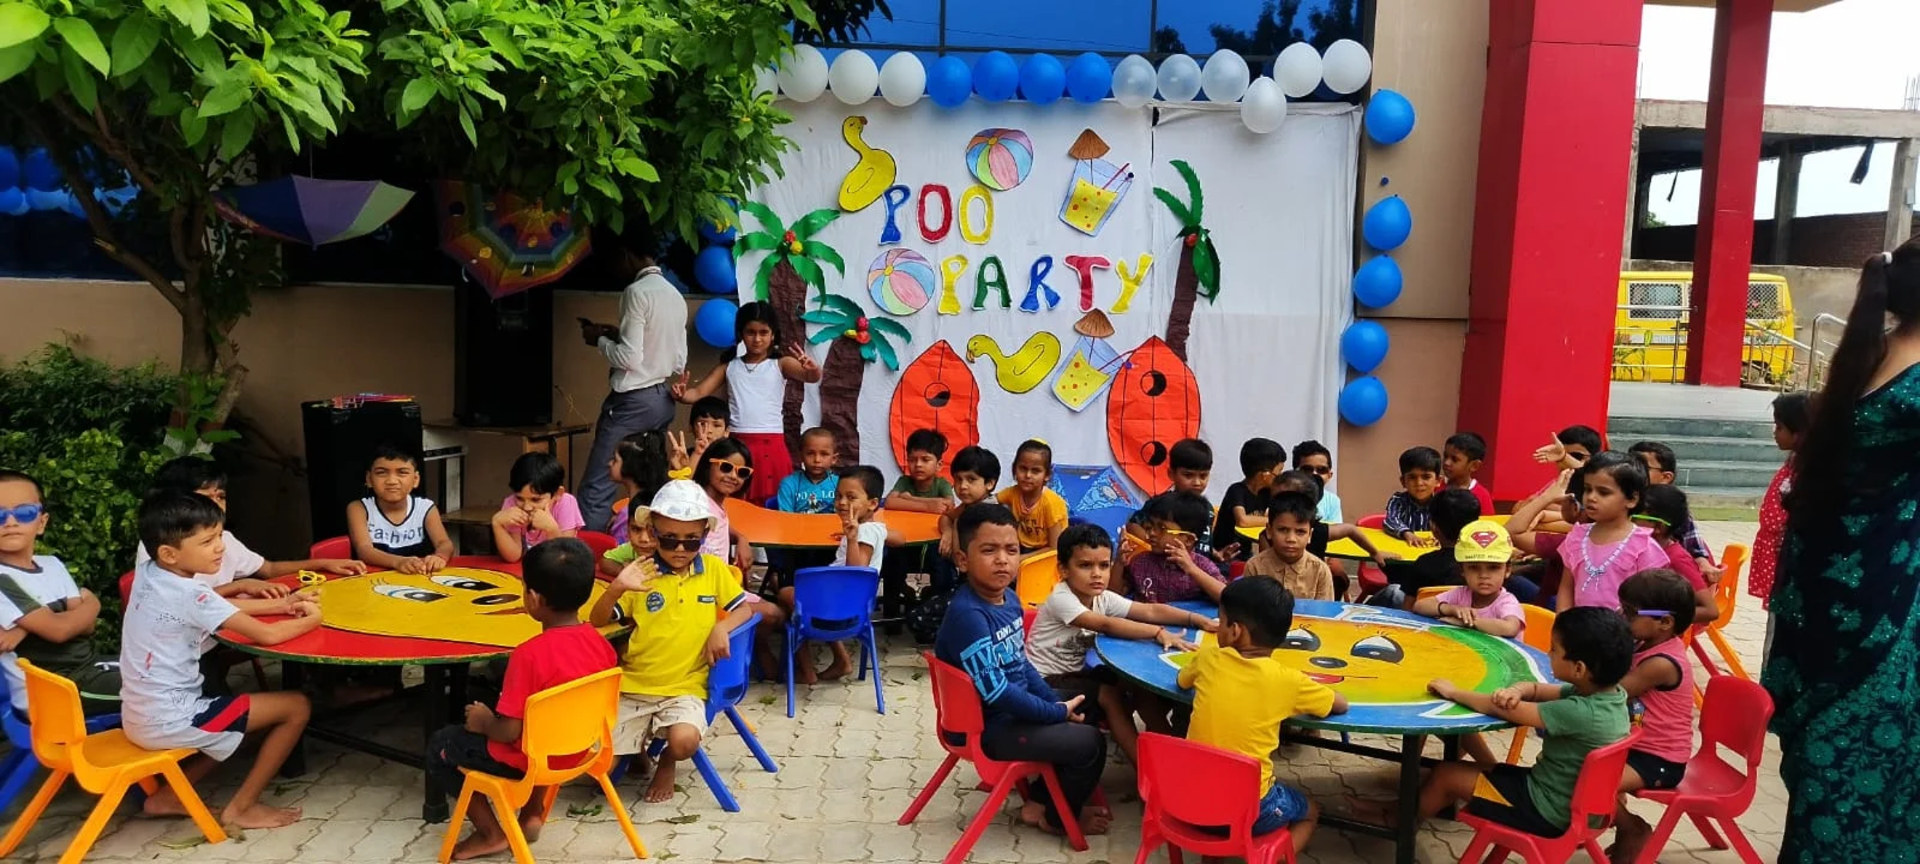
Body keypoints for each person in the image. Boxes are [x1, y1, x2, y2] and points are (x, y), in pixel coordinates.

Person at [1767, 241, 1920, 863]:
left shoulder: (1864, 352)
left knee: (1826, 745)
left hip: (1824, 580)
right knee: (1871, 743)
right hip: (1885, 584)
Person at [120, 491, 320, 829]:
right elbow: (268, 635)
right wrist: (312, 619)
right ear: (169, 553)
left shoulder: (149, 573)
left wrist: (281, 605)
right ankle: (242, 807)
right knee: (296, 706)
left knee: (244, 716)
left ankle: (169, 796)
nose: (220, 548)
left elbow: (213, 605)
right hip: (174, 719)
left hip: (140, 714)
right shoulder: (192, 594)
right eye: (207, 541)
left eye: (219, 536)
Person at [428, 539, 616, 860]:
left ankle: (490, 833)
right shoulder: (601, 644)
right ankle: (531, 814)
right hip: (578, 751)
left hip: (531, 763)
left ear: (534, 598)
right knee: (546, 726)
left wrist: (484, 721)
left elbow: (508, 732)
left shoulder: (528, 656)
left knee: (441, 745)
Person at [935, 504, 1110, 839]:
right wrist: (1054, 712)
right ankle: (1058, 818)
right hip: (987, 727)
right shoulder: (969, 616)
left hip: (1009, 709)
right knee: (1090, 744)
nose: (1002, 560)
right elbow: (996, 692)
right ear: (962, 560)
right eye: (989, 550)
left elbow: (1021, 663)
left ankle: (1042, 800)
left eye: (1011, 550)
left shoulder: (1010, 599)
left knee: (1092, 700)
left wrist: (1053, 704)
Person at [1399, 606, 1633, 838]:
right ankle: (1407, 808)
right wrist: (1516, 690)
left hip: (1545, 811)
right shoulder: (1610, 696)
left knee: (1445, 776)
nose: (1548, 653)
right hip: (1569, 803)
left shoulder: (1580, 711)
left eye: (1554, 649)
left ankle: (1400, 827)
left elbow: (1501, 710)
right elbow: (1537, 689)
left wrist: (1453, 692)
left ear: (1579, 668)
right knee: (1463, 770)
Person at [589, 481, 754, 805]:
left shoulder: (713, 570)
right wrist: (617, 587)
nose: (680, 548)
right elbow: (598, 619)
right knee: (598, 768)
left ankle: (666, 761)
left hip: (685, 688)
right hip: (634, 686)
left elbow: (744, 609)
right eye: (669, 539)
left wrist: (721, 627)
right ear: (653, 533)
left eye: (692, 541)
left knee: (683, 742)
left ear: (704, 535)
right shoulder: (641, 572)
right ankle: (637, 751)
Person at [1180, 577, 1349, 854]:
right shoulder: (1288, 681)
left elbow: (1182, 680)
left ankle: (1214, 853)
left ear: (1235, 631)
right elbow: (1339, 704)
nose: (1218, 627)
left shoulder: (1207, 659)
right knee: (1311, 811)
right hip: (1251, 810)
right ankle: (1273, 858)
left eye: (1221, 621)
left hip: (1187, 800)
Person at [1026, 524, 1214, 765]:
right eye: (1085, 566)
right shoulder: (1061, 598)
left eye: (1104, 565)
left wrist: (1195, 619)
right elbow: (1107, 625)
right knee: (1109, 694)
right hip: (1044, 682)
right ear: (1063, 569)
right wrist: (1158, 633)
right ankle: (1146, 768)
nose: (1097, 574)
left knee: (1137, 683)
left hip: (1075, 673)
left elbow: (1150, 611)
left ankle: (1174, 752)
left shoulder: (1101, 597)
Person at [578, 233, 688, 526]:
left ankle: (586, 550)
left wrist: (599, 340)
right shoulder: (674, 295)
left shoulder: (636, 292)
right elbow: (679, 359)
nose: (613, 269)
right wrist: (619, 336)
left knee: (598, 485)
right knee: (650, 481)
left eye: (613, 261)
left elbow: (628, 358)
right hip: (661, 399)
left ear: (626, 255)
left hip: (631, 402)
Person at [142, 456, 365, 593]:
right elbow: (188, 602)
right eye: (206, 498)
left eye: (220, 496)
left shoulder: (224, 539)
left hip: (216, 633)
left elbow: (268, 569)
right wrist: (241, 587)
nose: (217, 505)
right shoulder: (163, 546)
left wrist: (324, 564)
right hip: (186, 646)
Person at [670, 301, 822, 503]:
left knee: (772, 503)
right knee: (735, 501)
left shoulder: (781, 363)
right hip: (737, 443)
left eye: (763, 332)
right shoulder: (729, 367)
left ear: (773, 335)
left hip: (771, 444)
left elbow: (810, 377)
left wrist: (813, 369)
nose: (757, 339)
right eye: (751, 332)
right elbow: (698, 392)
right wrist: (681, 395)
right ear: (741, 334)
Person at [0, 470, 119, 714]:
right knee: (159, 690)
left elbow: (87, 627)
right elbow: (60, 630)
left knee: (167, 673)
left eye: (24, 513)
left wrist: (27, 626)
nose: (10, 522)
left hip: (86, 669)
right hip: (51, 693)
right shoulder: (3, 579)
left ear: (41, 522)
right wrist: (93, 603)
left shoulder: (52, 564)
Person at [1609, 569, 1699, 864]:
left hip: (1659, 760)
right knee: (1572, 763)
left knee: (1583, 782)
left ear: (1665, 622)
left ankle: (1632, 828)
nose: (1622, 616)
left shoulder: (1661, 663)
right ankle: (1607, 815)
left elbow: (1612, 693)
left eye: (1630, 612)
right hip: (1633, 747)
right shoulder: (1643, 643)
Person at [790, 465, 887, 685]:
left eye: (851, 497)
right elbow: (896, 537)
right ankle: (840, 659)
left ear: (873, 503)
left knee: (789, 597)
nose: (842, 503)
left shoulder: (863, 532)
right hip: (853, 603)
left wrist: (851, 540)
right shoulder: (875, 528)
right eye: (838, 496)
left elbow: (856, 574)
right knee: (796, 595)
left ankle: (807, 671)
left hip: (844, 600)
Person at [909, 446, 1002, 646]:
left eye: (971, 479)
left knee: (918, 619)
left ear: (990, 483)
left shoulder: (988, 515)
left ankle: (967, 636)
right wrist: (948, 531)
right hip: (965, 582)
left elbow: (970, 563)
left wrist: (956, 528)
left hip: (982, 588)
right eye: (958, 479)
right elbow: (945, 518)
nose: (963, 486)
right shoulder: (969, 506)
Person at [1555, 452, 1670, 612]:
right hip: (1578, 625)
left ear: (1632, 499)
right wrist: (1563, 621)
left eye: (1603, 492)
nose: (1591, 497)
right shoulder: (1577, 537)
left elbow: (1650, 602)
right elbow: (1566, 589)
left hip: (1622, 627)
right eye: (1588, 489)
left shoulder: (1643, 547)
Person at [1750, 390, 1810, 658]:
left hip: (1790, 563)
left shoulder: (1807, 472)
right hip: (1780, 560)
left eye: (1780, 427)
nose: (1775, 433)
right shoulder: (1794, 465)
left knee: (1781, 634)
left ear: (1800, 431)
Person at [1269, 469, 1389, 601]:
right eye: (1274, 499)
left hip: (1312, 590)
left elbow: (1350, 529)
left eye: (1300, 532)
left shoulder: (1319, 533)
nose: (1291, 538)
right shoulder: (1267, 537)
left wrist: (1374, 553)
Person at [346, 444, 456, 574]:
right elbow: (364, 550)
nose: (392, 481)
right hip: (373, 578)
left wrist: (439, 557)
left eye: (402, 472)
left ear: (415, 479)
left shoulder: (425, 508)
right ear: (369, 479)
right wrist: (398, 562)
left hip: (417, 576)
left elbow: (444, 543)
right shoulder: (359, 509)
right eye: (381, 473)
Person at [1411, 519, 1524, 639]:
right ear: (1462, 570)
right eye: (1474, 567)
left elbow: (1510, 628)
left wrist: (1467, 622)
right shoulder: (1461, 594)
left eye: (1493, 567)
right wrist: (1450, 609)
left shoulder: (1506, 601)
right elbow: (1419, 606)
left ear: (1507, 570)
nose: (1483, 575)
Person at [1370, 488, 1481, 609]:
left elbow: (1407, 609)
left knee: (1392, 591)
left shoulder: (1424, 564)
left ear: (1433, 527)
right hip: (1471, 617)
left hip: (1425, 618)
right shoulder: (1485, 563)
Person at [1626, 440, 1718, 577]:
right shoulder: (1621, 498)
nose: (1633, 471)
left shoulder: (1672, 507)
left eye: (1642, 467)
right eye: (1629, 465)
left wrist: (1702, 563)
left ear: (1666, 477)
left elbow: (1694, 545)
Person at [1632, 485, 1720, 625]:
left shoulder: (1676, 559)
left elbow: (1710, 611)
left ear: (1658, 527)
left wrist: (1651, 617)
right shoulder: (1638, 550)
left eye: (1633, 517)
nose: (1627, 522)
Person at [1118, 491, 1226, 604]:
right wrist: (1119, 564)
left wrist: (1192, 569)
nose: (1152, 533)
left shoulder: (1202, 566)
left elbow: (1227, 598)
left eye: (1162, 528)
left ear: (1188, 540)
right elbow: (1114, 597)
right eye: (1150, 526)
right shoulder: (1141, 562)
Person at [491, 452, 585, 564]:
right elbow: (513, 556)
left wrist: (551, 529)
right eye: (520, 498)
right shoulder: (512, 504)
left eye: (536, 500)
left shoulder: (566, 503)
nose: (527, 507)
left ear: (557, 494)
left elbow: (566, 556)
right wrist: (497, 524)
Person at [1243, 492, 1336, 601]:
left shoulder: (1320, 571)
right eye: (1283, 530)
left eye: (1300, 532)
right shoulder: (1255, 567)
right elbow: (1248, 608)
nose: (1291, 539)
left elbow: (1324, 610)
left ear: (1310, 535)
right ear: (1269, 530)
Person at [1210, 438, 1285, 562]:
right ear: (1265, 475)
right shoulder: (1237, 490)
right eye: (1279, 473)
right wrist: (1275, 521)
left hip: (1245, 553)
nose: (1280, 477)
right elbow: (1242, 520)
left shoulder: (1266, 493)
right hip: (1224, 554)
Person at [691, 437, 755, 572]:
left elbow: (717, 524)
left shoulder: (716, 506)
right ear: (708, 465)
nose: (733, 476)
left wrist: (741, 537)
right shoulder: (697, 503)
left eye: (742, 472)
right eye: (726, 467)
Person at [997, 439, 1070, 554]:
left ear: (1047, 475)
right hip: (1021, 546)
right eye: (1023, 468)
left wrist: (1022, 559)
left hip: (1047, 553)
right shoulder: (1013, 493)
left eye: (1035, 471)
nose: (1028, 475)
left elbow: (1054, 548)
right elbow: (990, 501)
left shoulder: (1050, 504)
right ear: (1014, 469)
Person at [606, 431, 670, 542]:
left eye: (615, 460)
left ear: (631, 466)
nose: (609, 463)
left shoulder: (628, 515)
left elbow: (619, 548)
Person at [1383, 446, 1444, 546]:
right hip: (1403, 550)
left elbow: (1452, 526)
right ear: (1403, 481)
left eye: (1426, 477)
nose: (1419, 483)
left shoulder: (1443, 503)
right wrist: (1407, 534)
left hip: (1433, 549)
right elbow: (1391, 520)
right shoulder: (1398, 501)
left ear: (1438, 481)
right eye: (1412, 477)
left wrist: (1444, 538)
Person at [885, 429, 955, 514]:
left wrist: (910, 499)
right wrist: (927, 507)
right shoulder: (904, 481)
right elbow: (889, 502)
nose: (918, 464)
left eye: (925, 460)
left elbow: (949, 504)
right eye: (912, 460)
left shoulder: (942, 484)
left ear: (939, 465)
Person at [775, 428, 840, 516]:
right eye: (810, 453)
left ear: (834, 459)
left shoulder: (840, 484)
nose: (817, 460)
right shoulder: (789, 484)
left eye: (824, 454)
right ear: (801, 456)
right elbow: (785, 518)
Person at [1443, 432, 1495, 516]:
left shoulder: (1482, 495)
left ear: (1474, 465)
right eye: (1445, 456)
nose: (1446, 463)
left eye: (1454, 459)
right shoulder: (1434, 486)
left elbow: (1487, 523)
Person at [1292, 440, 1343, 524]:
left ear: (1329, 475)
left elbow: (1337, 528)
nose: (1314, 474)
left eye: (1321, 470)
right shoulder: (1286, 495)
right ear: (1294, 472)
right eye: (1307, 470)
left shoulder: (1332, 500)